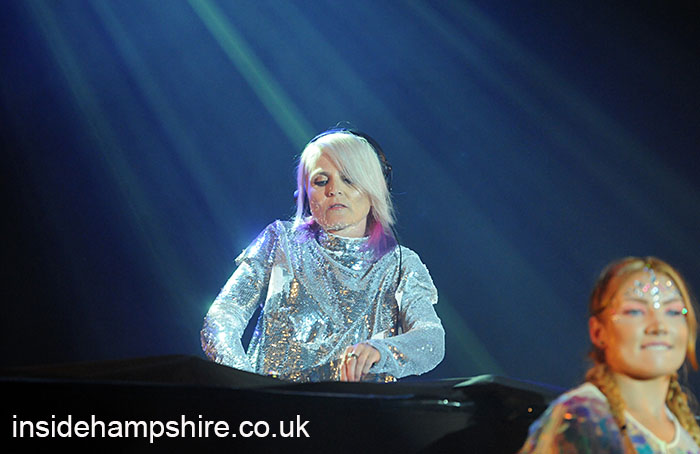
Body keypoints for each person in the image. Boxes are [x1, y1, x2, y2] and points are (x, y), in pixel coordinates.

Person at [200, 128, 445, 382]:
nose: (334, 189)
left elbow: (431, 340)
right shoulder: (280, 242)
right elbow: (222, 317)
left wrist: (382, 352)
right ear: (305, 194)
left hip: (360, 405)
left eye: (349, 179)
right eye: (320, 181)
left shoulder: (401, 264)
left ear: (375, 187)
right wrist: (246, 382)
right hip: (274, 404)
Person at [519, 257, 700, 453]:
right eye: (635, 311)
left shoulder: (687, 435)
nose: (659, 327)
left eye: (673, 312)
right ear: (598, 332)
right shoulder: (583, 418)